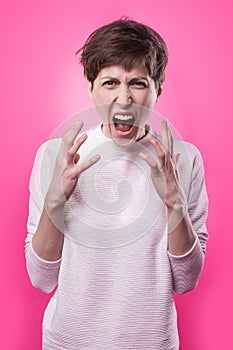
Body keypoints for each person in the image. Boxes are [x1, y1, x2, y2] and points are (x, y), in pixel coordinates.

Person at [25, 19, 209, 350]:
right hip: (68, 342)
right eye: (110, 83)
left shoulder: (184, 159)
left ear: (157, 90)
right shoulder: (55, 154)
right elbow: (41, 280)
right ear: (92, 88)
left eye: (137, 83)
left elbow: (186, 282)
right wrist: (55, 201)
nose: (124, 98)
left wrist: (174, 205)